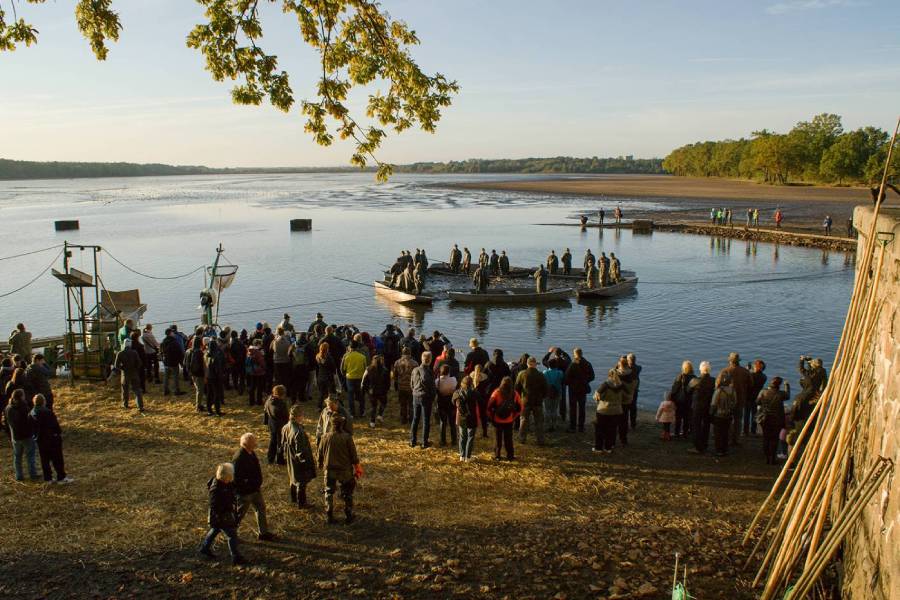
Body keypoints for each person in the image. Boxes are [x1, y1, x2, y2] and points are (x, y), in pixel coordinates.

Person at [199, 463, 247, 565]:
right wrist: (227, 512)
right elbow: (214, 506)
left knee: (215, 529)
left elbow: (233, 487)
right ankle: (236, 557)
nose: (231, 478)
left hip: (220, 516)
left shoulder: (224, 483)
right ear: (225, 476)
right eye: (230, 476)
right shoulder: (216, 489)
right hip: (222, 516)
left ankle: (204, 547)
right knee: (232, 536)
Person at [317, 414, 360, 524]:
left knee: (328, 491)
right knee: (347, 493)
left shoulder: (324, 437)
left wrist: (320, 464)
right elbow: (353, 455)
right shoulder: (347, 438)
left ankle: (329, 515)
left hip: (329, 470)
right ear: (341, 425)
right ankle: (348, 516)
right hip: (344, 470)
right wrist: (357, 467)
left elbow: (319, 454)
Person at [233, 433, 274, 541]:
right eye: (254, 441)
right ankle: (232, 535)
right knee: (239, 515)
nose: (256, 443)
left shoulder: (251, 452)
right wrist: (247, 487)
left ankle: (263, 533)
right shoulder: (239, 458)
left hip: (255, 489)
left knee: (261, 509)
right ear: (248, 444)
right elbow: (237, 479)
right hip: (245, 493)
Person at [29, 393, 71, 484]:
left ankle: (48, 478)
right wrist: (58, 434)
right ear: (43, 402)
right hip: (52, 439)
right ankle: (61, 477)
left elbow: (31, 427)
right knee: (57, 459)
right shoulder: (47, 412)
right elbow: (55, 425)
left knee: (45, 460)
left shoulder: (31, 413)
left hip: (40, 440)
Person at [281, 404, 316, 508]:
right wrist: (305, 463)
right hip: (298, 460)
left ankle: (293, 498)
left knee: (292, 478)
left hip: (289, 457)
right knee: (301, 482)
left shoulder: (285, 427)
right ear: (298, 416)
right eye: (302, 415)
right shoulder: (298, 432)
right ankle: (302, 503)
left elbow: (282, 443)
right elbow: (300, 451)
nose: (303, 417)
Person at [5, 388, 38, 481]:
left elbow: (5, 422)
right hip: (26, 436)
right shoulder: (24, 407)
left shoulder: (8, 408)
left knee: (17, 457)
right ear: (21, 397)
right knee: (30, 456)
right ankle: (32, 474)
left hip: (15, 436)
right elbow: (30, 421)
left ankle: (19, 476)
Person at [487, 376, 522, 461]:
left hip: (497, 419)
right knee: (509, 439)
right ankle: (510, 456)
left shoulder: (497, 392)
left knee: (497, 439)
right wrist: (514, 417)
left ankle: (497, 455)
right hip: (509, 419)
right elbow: (520, 408)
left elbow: (489, 407)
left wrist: (491, 418)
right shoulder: (514, 394)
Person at [756, 377, 789, 465]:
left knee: (766, 438)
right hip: (777, 419)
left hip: (766, 418)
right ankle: (773, 458)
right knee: (774, 439)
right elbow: (787, 396)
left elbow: (757, 402)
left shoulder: (763, 392)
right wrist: (787, 386)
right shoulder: (781, 394)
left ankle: (767, 457)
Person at [515, 356, 547, 445]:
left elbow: (517, 388)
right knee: (539, 421)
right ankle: (540, 440)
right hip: (537, 401)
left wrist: (519, 399)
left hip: (525, 400)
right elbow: (545, 389)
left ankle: (522, 439)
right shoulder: (541, 375)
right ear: (535, 364)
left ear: (527, 364)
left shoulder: (522, 374)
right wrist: (542, 397)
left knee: (524, 420)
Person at [564, 348, 594, 433]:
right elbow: (592, 376)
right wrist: (586, 381)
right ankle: (581, 427)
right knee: (582, 408)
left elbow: (566, 377)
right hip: (583, 388)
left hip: (573, 389)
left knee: (572, 408)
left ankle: (572, 427)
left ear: (575, 354)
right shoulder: (587, 364)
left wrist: (570, 383)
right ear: (582, 353)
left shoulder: (572, 364)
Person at [410, 351, 437, 448]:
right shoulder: (429, 372)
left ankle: (412, 441)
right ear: (430, 360)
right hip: (425, 397)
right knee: (426, 420)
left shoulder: (415, 370)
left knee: (415, 418)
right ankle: (424, 442)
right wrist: (433, 398)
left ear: (421, 359)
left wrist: (414, 391)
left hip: (415, 395)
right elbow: (432, 388)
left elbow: (412, 383)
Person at [592, 369, 622, 453]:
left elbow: (597, 396)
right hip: (616, 410)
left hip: (604, 410)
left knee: (600, 429)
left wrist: (596, 397)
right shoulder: (621, 385)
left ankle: (598, 448)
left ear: (609, 375)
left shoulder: (605, 385)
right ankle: (608, 447)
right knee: (611, 429)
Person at [688, 361, 715, 454]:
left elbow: (688, 390)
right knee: (706, 426)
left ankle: (697, 447)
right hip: (708, 406)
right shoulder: (713, 381)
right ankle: (704, 444)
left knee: (696, 426)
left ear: (700, 369)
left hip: (697, 407)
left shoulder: (695, 381)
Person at [453, 375, 481, 462]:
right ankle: (468, 457)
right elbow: (481, 400)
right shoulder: (475, 393)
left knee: (462, 437)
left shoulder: (457, 393)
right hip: (472, 417)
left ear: (462, 383)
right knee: (470, 437)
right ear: (471, 383)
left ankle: (462, 455)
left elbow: (453, 402)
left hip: (461, 417)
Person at [114, 340, 144, 414]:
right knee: (137, 390)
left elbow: (116, 365)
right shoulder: (134, 352)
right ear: (130, 345)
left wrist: (122, 368)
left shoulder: (120, 353)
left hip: (125, 374)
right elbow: (139, 363)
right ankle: (140, 406)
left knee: (125, 390)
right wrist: (135, 369)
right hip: (134, 373)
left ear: (124, 345)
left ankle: (125, 404)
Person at [710, 373, 736, 457]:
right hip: (728, 414)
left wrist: (711, 414)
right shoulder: (733, 390)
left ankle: (719, 450)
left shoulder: (719, 391)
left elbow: (713, 404)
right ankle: (725, 449)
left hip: (718, 415)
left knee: (718, 433)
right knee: (726, 433)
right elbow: (735, 402)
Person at [390, 347, 418, 425]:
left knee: (403, 404)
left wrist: (396, 384)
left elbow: (395, 376)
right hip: (411, 387)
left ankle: (403, 419)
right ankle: (411, 419)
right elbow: (417, 377)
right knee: (411, 404)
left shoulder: (397, 362)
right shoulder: (415, 363)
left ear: (402, 353)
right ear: (410, 353)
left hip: (401, 386)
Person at [362, 355, 391, 428]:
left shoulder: (368, 369)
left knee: (373, 406)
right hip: (382, 391)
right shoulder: (385, 370)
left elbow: (364, 381)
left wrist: (367, 390)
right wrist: (386, 389)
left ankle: (372, 422)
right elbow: (388, 382)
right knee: (384, 403)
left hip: (372, 391)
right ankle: (380, 415)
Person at [340, 340, 367, 418]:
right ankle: (362, 412)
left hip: (350, 378)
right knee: (361, 395)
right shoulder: (362, 357)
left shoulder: (346, 356)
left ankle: (352, 413)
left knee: (350, 396)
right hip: (360, 378)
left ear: (350, 347)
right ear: (357, 347)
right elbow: (365, 368)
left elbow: (342, 369)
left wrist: (345, 375)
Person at [263, 385, 289, 465]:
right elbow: (285, 416)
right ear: (282, 394)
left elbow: (265, 412)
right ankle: (280, 460)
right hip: (280, 426)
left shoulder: (269, 400)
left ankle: (270, 458)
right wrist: (287, 425)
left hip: (272, 424)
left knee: (272, 442)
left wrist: (265, 422)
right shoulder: (281, 404)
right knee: (280, 443)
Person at [435, 363, 459, 447]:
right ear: (449, 372)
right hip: (451, 403)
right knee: (452, 423)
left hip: (441, 403)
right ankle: (454, 441)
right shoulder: (453, 380)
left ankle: (443, 441)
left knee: (443, 422)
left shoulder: (437, 381)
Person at [671, 361, 694, 437]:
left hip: (679, 401)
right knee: (686, 418)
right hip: (689, 401)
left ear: (683, 368)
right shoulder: (694, 378)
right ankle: (685, 433)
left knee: (678, 418)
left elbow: (674, 389)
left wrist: (672, 399)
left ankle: (676, 433)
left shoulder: (680, 377)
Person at [160, 328, 186, 396]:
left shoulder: (163, 341)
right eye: (172, 332)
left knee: (166, 377)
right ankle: (176, 391)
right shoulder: (174, 342)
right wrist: (181, 362)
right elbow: (179, 353)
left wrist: (163, 360)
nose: (173, 333)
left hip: (166, 362)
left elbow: (161, 352)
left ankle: (165, 390)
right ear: (170, 333)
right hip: (174, 362)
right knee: (175, 377)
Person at [616, 356, 636, 445]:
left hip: (618, 400)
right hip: (627, 400)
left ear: (620, 365)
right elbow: (635, 383)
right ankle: (623, 439)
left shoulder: (617, 374)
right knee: (624, 419)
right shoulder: (632, 374)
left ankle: (613, 439)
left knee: (615, 419)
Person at [205, 339, 226, 417]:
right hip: (215, 378)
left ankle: (209, 410)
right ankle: (217, 411)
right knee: (216, 394)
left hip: (208, 376)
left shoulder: (207, 354)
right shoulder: (216, 356)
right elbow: (218, 369)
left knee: (209, 393)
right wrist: (221, 376)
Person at [746, 360, 767, 435]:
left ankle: (745, 431)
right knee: (754, 415)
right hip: (757, 398)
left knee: (746, 415)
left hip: (748, 397)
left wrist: (748, 370)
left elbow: (748, 380)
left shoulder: (751, 375)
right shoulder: (764, 377)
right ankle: (753, 431)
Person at [542, 360, 563, 433]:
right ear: (556, 365)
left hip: (547, 393)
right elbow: (562, 381)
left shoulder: (545, 373)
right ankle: (554, 425)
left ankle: (547, 425)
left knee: (547, 409)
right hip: (557, 393)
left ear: (548, 365)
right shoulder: (560, 373)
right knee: (554, 409)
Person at [625, 353, 641, 430]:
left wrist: (623, 359)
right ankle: (633, 424)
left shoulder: (626, 369)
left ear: (628, 360)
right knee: (633, 407)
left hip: (626, 391)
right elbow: (639, 367)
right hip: (634, 390)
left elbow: (617, 368)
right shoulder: (638, 368)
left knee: (625, 407)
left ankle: (625, 423)